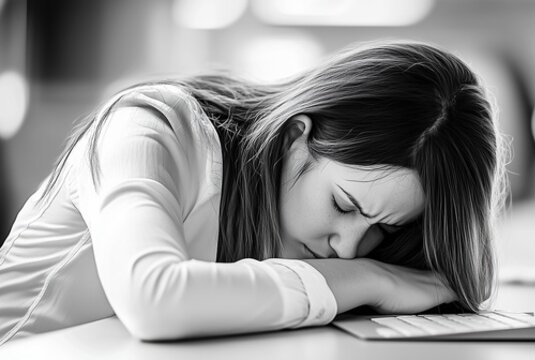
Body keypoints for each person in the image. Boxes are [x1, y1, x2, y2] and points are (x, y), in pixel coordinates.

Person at [0, 41, 507, 344]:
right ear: (295, 136)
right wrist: (372, 278)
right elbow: (155, 300)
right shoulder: (150, 126)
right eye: (345, 205)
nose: (348, 247)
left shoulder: (273, 211)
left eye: (384, 229)